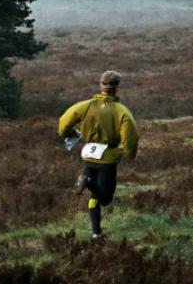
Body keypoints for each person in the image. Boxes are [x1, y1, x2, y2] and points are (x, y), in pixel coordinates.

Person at [57, 70, 140, 241]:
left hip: (88, 155)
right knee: (105, 197)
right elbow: (130, 135)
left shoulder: (84, 106)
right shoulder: (121, 111)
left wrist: (70, 134)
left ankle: (96, 233)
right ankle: (86, 182)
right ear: (116, 88)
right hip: (107, 157)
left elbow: (63, 122)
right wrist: (128, 153)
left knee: (94, 195)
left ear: (100, 85)